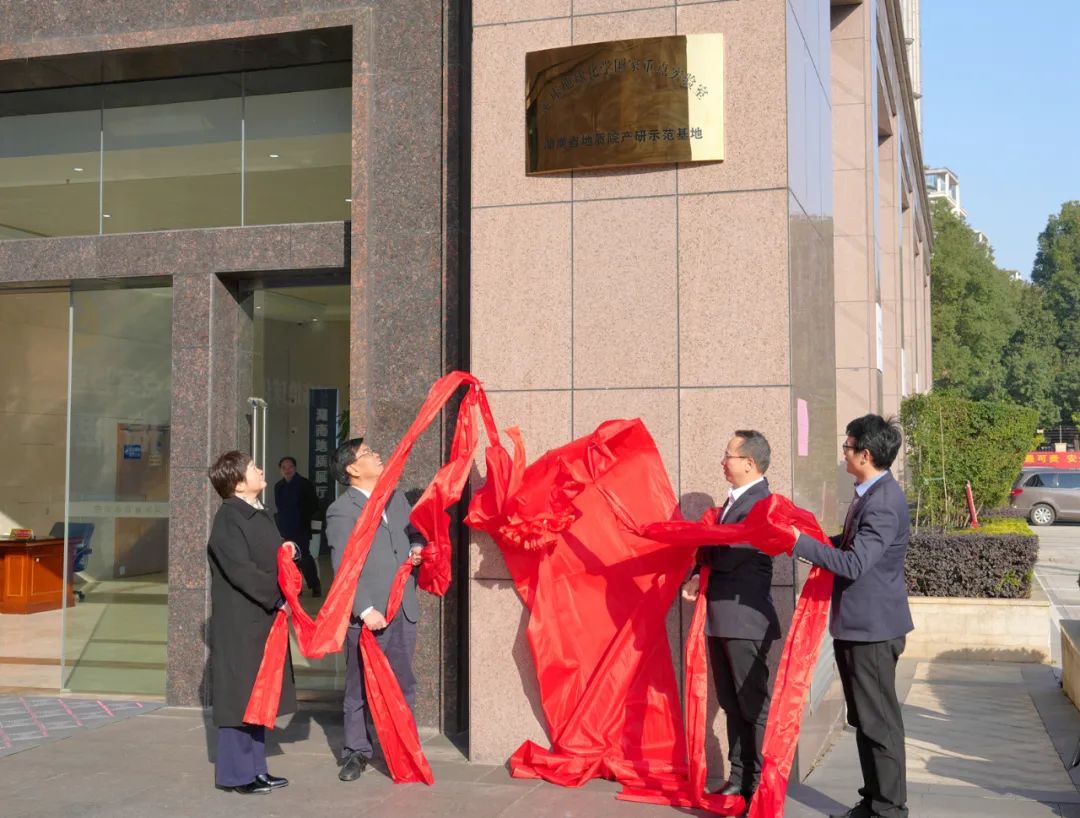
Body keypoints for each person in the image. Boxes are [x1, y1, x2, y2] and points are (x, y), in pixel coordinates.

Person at [791, 415, 913, 818]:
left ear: (866, 454)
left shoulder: (883, 503)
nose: (843, 453)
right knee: (865, 719)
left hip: (873, 630)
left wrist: (801, 544)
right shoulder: (870, 494)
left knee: (879, 723)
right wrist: (810, 541)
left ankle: (890, 809)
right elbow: (848, 544)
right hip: (858, 626)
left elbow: (855, 563)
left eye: (847, 446)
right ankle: (873, 801)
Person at [683, 430, 782, 803]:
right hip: (721, 619)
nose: (723, 462)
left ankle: (759, 784)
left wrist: (701, 543)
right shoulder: (732, 502)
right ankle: (739, 777)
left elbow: (728, 555)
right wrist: (698, 570)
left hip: (745, 622)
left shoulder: (762, 505)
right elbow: (715, 553)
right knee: (730, 702)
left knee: (752, 705)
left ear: (749, 463)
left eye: (728, 455)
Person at [326, 437, 425, 782]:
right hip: (369, 615)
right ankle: (356, 751)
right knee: (359, 688)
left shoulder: (395, 498)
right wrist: (365, 609)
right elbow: (343, 567)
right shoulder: (342, 510)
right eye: (368, 453)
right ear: (352, 468)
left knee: (404, 682)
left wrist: (417, 546)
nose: (377, 455)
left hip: (402, 608)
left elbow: (416, 532)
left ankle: (403, 747)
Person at [206, 451, 297, 795]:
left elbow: (267, 556)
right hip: (242, 621)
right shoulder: (229, 519)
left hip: (262, 617)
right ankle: (237, 775)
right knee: (240, 698)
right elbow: (241, 570)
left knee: (258, 695)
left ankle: (257, 769)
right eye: (253, 468)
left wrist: (287, 552)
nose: (260, 471)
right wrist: (277, 595)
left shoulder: (258, 513)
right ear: (238, 482)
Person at [273, 456, 321, 597]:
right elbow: (279, 507)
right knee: (291, 559)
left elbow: (314, 505)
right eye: (284, 468)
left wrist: (304, 517)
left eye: (290, 467)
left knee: (304, 557)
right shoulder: (278, 486)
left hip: (301, 526)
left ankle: (315, 585)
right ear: (280, 470)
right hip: (285, 528)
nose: (287, 470)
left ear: (295, 468)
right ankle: (296, 587)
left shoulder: (305, 484)